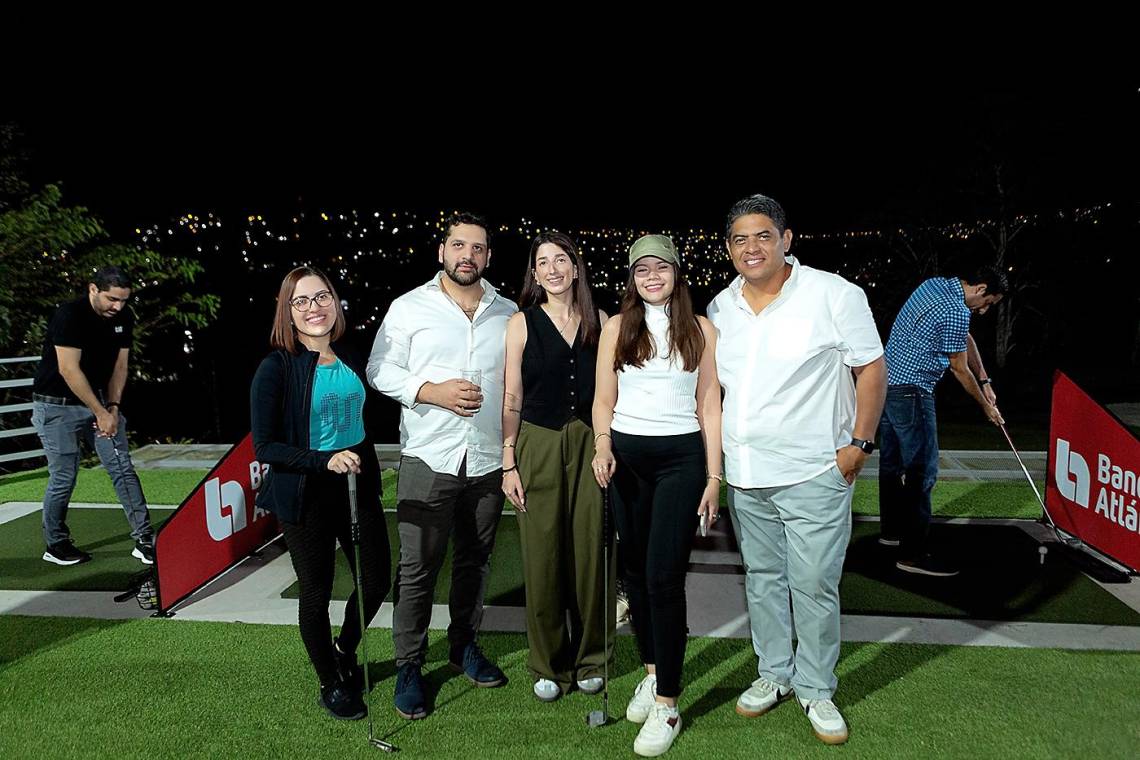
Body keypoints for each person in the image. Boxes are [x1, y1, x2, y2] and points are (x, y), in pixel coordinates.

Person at [708, 194, 886, 746]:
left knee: (812, 584)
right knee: (762, 582)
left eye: (763, 235)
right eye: (740, 238)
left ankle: (816, 686)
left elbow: (872, 368)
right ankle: (774, 674)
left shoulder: (833, 294)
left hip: (815, 471)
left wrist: (858, 446)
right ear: (730, 248)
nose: (751, 247)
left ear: (787, 239)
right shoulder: (721, 307)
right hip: (745, 474)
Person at [367, 212, 517, 720]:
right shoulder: (410, 308)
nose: (467, 255)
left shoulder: (509, 313)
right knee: (417, 570)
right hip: (429, 457)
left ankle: (462, 645)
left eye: (477, 248)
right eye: (458, 245)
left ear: (488, 257)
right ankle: (409, 664)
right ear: (442, 252)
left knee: (475, 562)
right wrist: (431, 392)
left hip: (488, 459)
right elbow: (379, 368)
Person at [591, 234, 722, 757]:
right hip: (625, 460)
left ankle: (668, 702)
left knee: (665, 577)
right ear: (632, 278)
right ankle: (651, 671)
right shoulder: (617, 328)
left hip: (681, 461)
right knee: (638, 577)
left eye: (660, 268)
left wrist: (714, 476)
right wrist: (603, 445)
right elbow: (604, 399)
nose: (651, 276)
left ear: (676, 272)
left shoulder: (702, 330)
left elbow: (709, 402)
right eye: (641, 269)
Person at [250, 266, 391, 720]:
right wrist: (323, 460)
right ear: (288, 312)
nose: (315, 308)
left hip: (356, 488)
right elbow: (266, 446)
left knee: (376, 580)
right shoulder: (276, 367)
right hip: (305, 493)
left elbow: (360, 425)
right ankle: (330, 680)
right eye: (302, 301)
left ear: (336, 302)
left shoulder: (350, 356)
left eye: (323, 297)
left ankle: (344, 649)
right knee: (317, 590)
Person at [500, 231, 613, 703]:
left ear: (575, 266)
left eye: (560, 259)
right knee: (542, 555)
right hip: (537, 442)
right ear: (534, 272)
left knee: (592, 554)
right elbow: (511, 396)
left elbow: (610, 392)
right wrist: (508, 460)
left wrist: (606, 444)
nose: (552, 268)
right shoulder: (521, 323)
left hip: (589, 442)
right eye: (542, 261)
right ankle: (547, 663)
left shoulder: (601, 320)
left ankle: (593, 658)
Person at [879, 267, 1008, 577]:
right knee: (922, 472)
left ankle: (892, 533)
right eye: (988, 301)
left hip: (886, 386)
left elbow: (964, 338)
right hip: (913, 393)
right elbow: (959, 369)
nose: (985, 309)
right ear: (979, 288)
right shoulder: (955, 311)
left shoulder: (934, 285)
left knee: (891, 463)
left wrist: (986, 378)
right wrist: (986, 408)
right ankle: (912, 555)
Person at [31, 265, 153, 566]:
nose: (118, 306)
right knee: (64, 476)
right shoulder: (69, 315)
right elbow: (69, 370)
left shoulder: (123, 317)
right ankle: (56, 543)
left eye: (124, 300)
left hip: (99, 403)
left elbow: (120, 367)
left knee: (122, 467)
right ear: (93, 289)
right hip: (56, 406)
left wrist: (112, 407)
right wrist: (100, 412)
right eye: (112, 299)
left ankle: (144, 540)